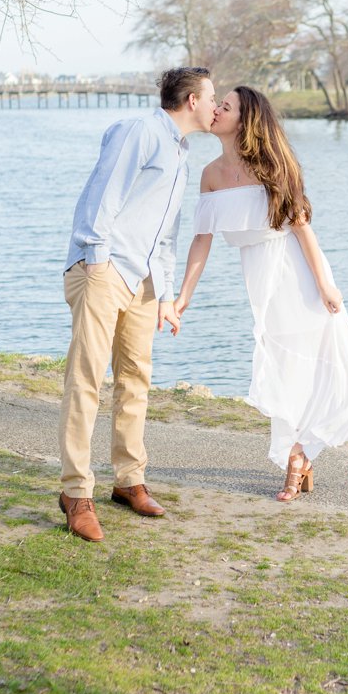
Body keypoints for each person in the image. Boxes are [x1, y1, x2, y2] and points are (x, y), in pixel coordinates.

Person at [174, 86, 348, 501]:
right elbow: (201, 241)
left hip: (297, 273)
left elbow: (302, 229)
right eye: (218, 104)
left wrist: (324, 284)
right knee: (285, 366)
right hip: (261, 282)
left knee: (326, 360)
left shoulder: (272, 166)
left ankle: (300, 456)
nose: (216, 110)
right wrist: (183, 296)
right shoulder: (210, 174)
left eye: (225, 107)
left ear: (245, 121)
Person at [57, 67, 217, 542]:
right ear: (191, 100)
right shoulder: (141, 131)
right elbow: (102, 197)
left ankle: (128, 481)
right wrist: (96, 259)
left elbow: (164, 233)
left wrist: (165, 294)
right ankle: (75, 493)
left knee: (135, 381)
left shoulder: (180, 152)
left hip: (144, 282)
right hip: (103, 271)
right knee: (86, 380)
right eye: (212, 97)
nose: (216, 106)